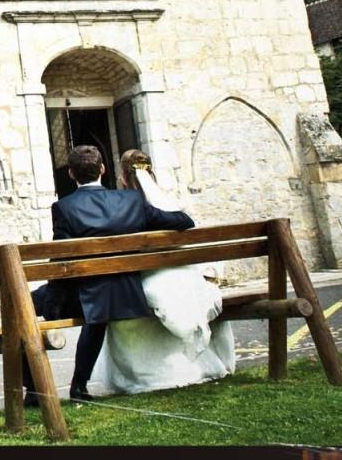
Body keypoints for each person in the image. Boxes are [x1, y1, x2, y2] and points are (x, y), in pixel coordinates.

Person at [22, 145, 194, 406]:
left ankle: (34, 390)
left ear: (71, 174)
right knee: (98, 305)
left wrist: (52, 301)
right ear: (103, 169)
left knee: (19, 306)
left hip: (83, 297)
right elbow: (183, 221)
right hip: (124, 294)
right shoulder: (131, 202)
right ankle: (78, 386)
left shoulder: (64, 208)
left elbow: (61, 262)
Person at [88, 149, 237, 396]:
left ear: (123, 177)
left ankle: (146, 373)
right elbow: (188, 226)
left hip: (148, 283)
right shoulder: (169, 204)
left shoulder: (124, 207)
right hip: (185, 280)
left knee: (124, 291)